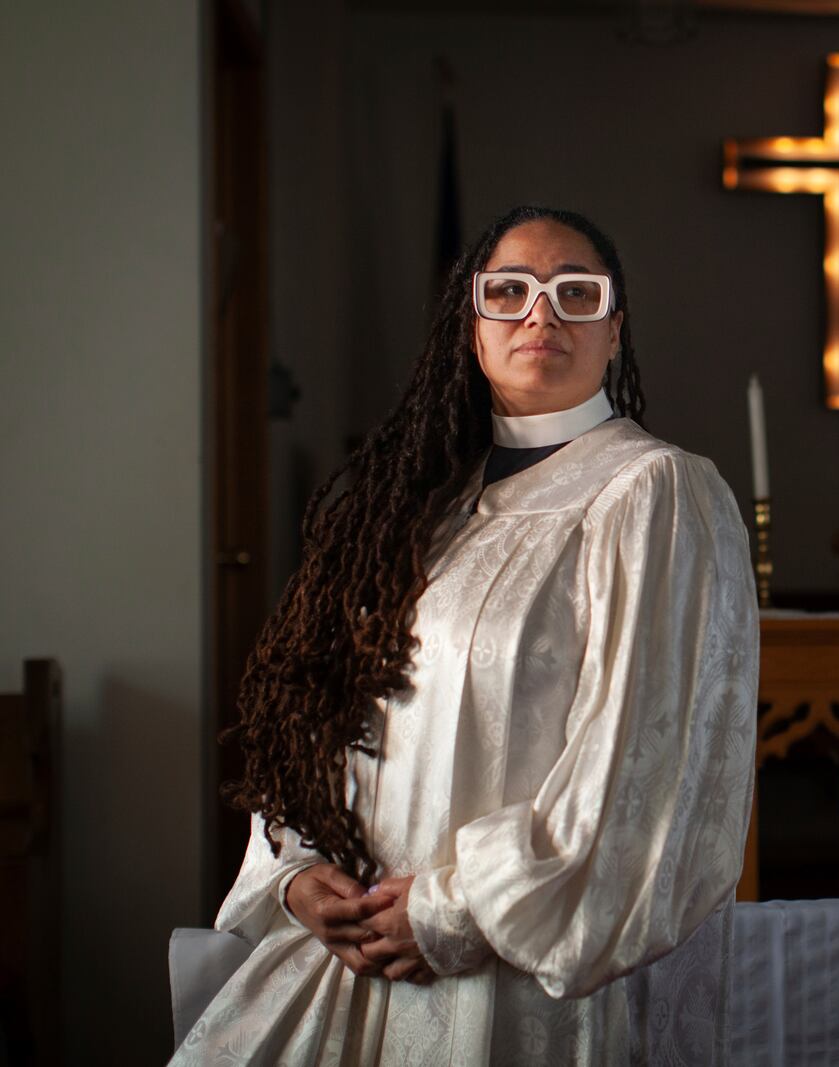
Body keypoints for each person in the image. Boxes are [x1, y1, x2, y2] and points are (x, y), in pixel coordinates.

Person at [172, 206, 758, 1064]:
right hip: (353, 960)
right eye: (510, 290)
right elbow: (323, 715)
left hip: (517, 986)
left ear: (615, 330)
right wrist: (295, 872)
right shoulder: (420, 513)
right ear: (471, 327)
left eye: (575, 292)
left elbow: (648, 780)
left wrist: (448, 910)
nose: (541, 312)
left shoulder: (654, 494)